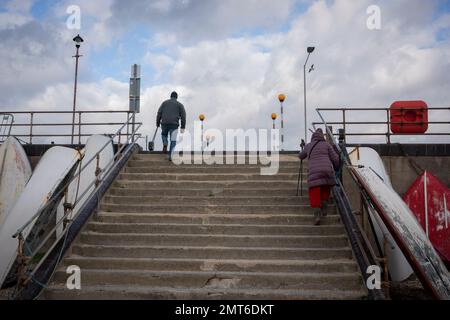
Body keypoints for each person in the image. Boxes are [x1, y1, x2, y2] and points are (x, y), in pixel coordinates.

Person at [299, 128, 340, 225]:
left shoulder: (309, 146)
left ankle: (317, 214)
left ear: (313, 136)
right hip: (327, 170)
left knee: (314, 191)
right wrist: (337, 167)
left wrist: (302, 148)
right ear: (322, 136)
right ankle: (324, 204)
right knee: (325, 187)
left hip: (314, 172)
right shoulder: (327, 145)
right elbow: (335, 158)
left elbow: (301, 156)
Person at [156, 91, 186, 161]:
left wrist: (157, 123)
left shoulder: (164, 103)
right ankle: (171, 156)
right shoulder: (180, 105)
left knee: (164, 134)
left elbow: (159, 113)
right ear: (176, 97)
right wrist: (183, 127)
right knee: (173, 140)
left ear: (170, 96)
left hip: (164, 123)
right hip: (174, 124)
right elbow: (183, 116)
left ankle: (165, 142)